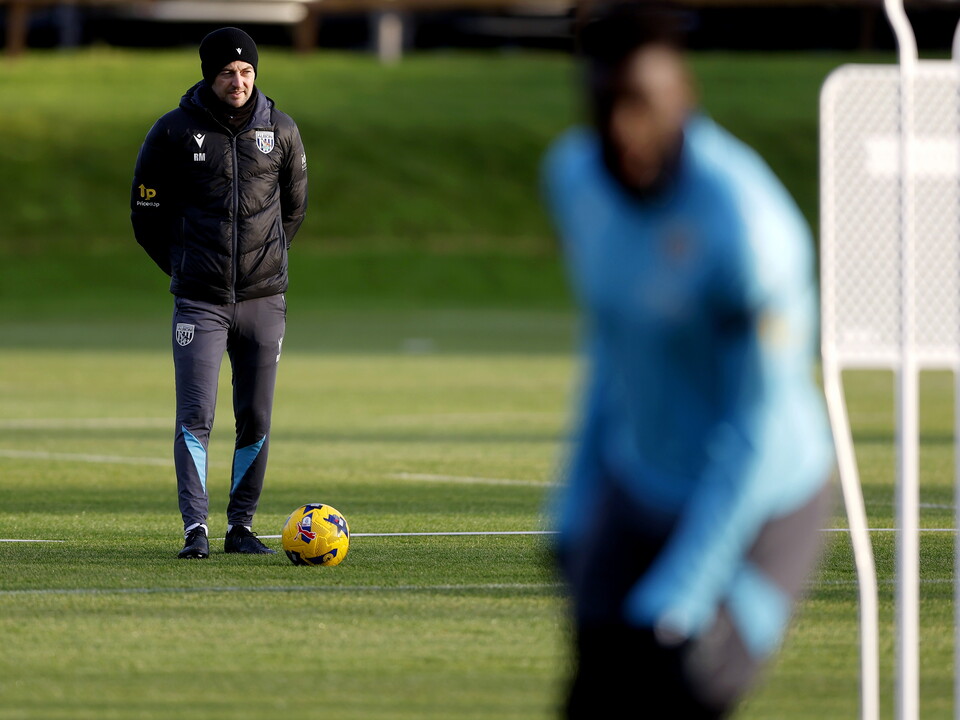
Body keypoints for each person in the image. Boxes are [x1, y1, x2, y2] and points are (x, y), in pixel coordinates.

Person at [542, 2, 835, 717]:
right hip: (638, 483)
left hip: (763, 504)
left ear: (682, 99)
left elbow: (753, 432)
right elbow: (612, 351)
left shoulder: (747, 228)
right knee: (592, 699)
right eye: (604, 105)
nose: (620, 130)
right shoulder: (575, 182)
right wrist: (575, 507)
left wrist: (684, 591)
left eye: (639, 105)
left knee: (674, 693)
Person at [131, 27, 308, 559]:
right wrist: (187, 268)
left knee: (255, 417)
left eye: (247, 72)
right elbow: (146, 216)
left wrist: (264, 265)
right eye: (228, 72)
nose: (239, 81)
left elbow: (294, 209)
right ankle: (195, 530)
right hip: (199, 301)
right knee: (196, 416)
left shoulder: (281, 130)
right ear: (210, 75)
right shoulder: (172, 132)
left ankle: (240, 526)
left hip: (263, 300)